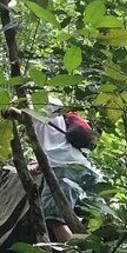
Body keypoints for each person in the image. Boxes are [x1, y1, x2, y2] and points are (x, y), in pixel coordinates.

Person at [28, 97, 101, 243]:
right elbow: (55, 145)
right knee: (84, 219)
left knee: (54, 218)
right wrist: (40, 164)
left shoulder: (41, 104)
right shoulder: (58, 113)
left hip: (64, 168)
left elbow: (19, 114)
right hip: (82, 167)